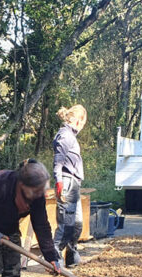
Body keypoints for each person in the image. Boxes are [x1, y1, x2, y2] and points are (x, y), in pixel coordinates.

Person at [52, 104, 87, 268]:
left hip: (74, 182)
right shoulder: (65, 135)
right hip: (66, 181)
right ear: (79, 121)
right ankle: (54, 258)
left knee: (77, 223)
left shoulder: (71, 136)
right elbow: (58, 161)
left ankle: (72, 255)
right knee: (66, 222)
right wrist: (59, 182)